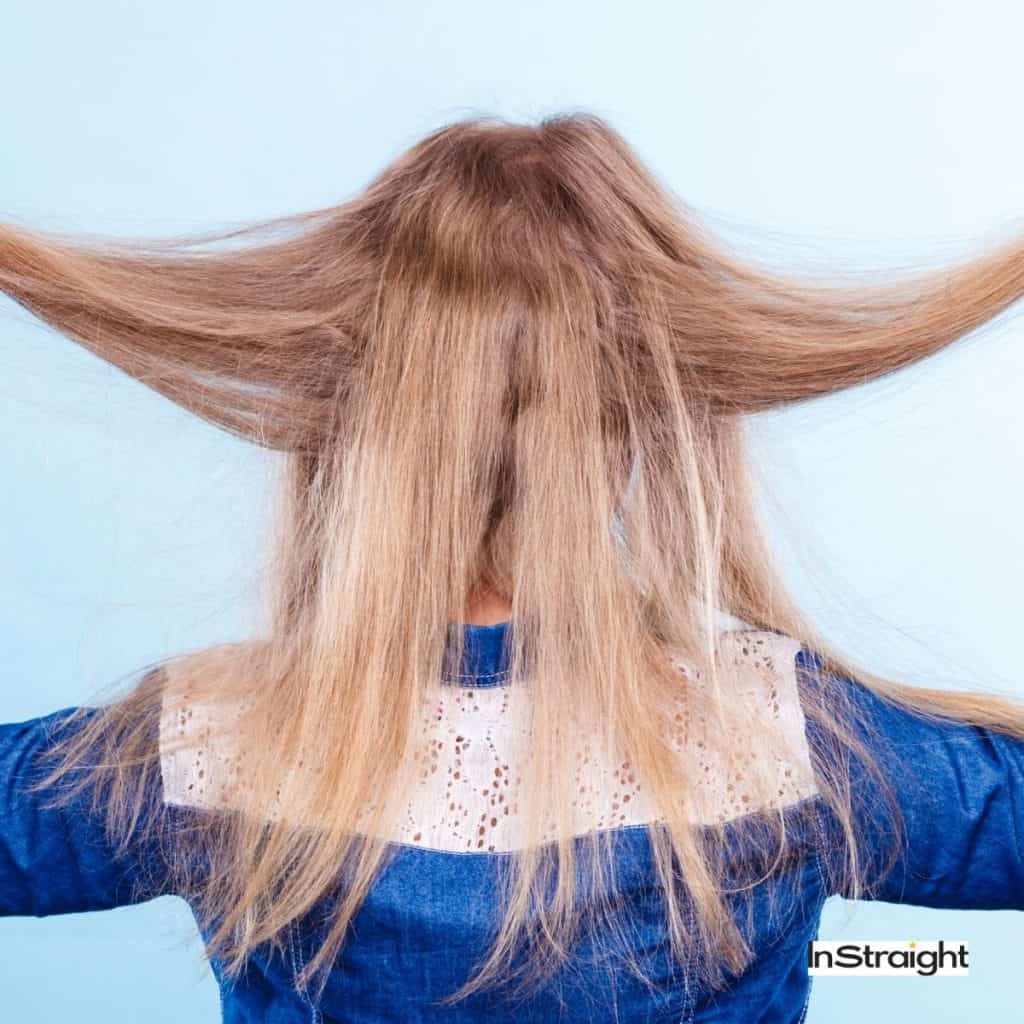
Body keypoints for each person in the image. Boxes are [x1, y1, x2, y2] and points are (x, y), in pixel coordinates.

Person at [1, 112, 1022, 1023]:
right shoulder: (789, 743)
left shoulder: (199, 744)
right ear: (646, 418)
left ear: (354, 413)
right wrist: (848, 952)